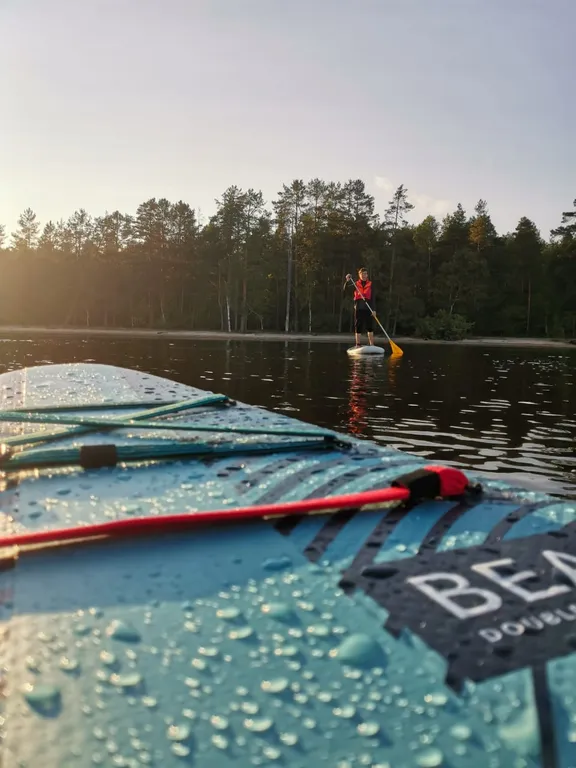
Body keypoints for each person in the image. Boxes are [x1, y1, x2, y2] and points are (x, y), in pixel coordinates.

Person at [344, 267, 376, 347]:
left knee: (370, 326)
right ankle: (358, 344)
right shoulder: (355, 284)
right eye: (362, 274)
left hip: (368, 308)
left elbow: (373, 298)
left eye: (365, 274)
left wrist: (374, 309)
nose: (364, 275)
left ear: (367, 275)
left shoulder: (370, 284)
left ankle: (371, 344)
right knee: (358, 326)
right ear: (359, 275)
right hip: (359, 308)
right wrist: (347, 281)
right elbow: (346, 290)